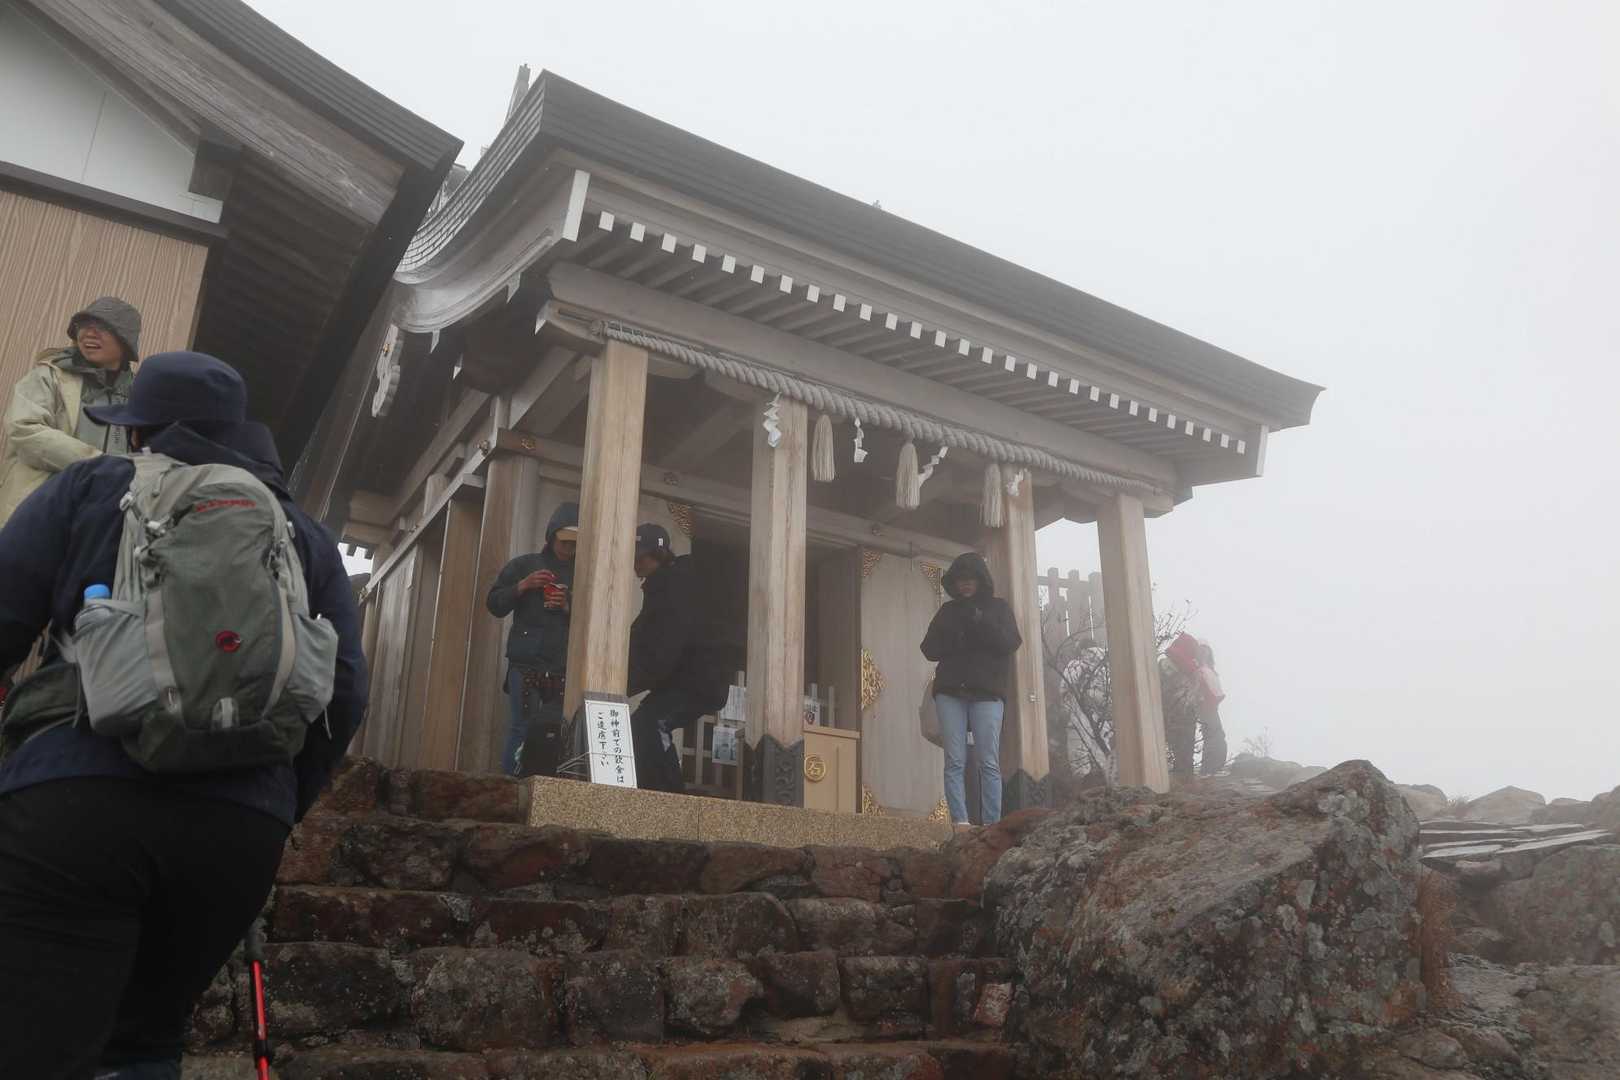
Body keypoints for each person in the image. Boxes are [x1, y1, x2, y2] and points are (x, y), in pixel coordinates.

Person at [0, 351, 368, 1080]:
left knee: (35, 1043)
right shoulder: (300, 532)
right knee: (145, 1042)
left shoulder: (91, 486)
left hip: (78, 797)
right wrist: (277, 802)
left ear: (141, 431)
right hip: (237, 827)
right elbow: (347, 689)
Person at [0, 296, 143, 527]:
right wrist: (97, 463)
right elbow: (24, 429)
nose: (89, 333)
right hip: (40, 511)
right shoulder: (49, 376)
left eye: (103, 327)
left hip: (100, 519)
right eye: (84, 325)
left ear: (126, 340)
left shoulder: (138, 394)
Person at [626, 524, 732, 794]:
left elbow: (664, 646)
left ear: (658, 555)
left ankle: (671, 798)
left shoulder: (673, 586)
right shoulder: (664, 585)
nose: (635, 562)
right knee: (642, 724)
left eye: (641, 556)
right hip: (684, 678)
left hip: (696, 679)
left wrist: (627, 683)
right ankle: (658, 793)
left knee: (651, 723)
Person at [919, 552, 1022, 827]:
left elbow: (1011, 642)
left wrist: (981, 622)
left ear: (980, 580)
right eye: (960, 579)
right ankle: (960, 822)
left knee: (988, 761)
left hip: (987, 692)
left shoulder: (998, 608)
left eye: (970, 578)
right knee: (954, 760)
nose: (965, 583)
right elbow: (928, 648)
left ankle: (991, 824)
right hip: (950, 691)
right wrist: (955, 635)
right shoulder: (947, 611)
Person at [486, 503, 578, 776]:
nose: (568, 548)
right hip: (524, 663)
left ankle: (544, 786)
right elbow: (494, 604)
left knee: (556, 730)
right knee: (521, 727)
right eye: (564, 541)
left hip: (563, 665)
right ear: (551, 536)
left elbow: (595, 618)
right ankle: (510, 785)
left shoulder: (584, 572)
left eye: (574, 543)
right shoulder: (524, 565)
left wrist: (567, 605)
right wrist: (523, 585)